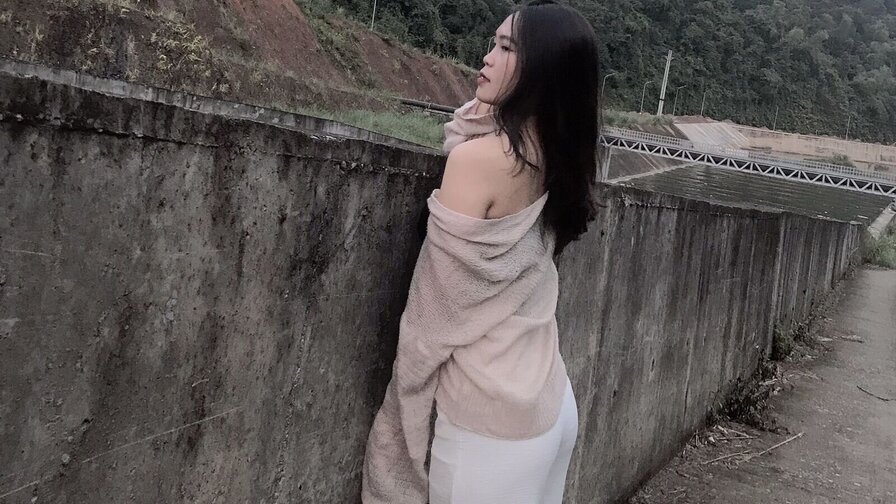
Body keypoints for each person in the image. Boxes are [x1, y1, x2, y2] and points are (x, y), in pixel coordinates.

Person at [363, 1, 602, 503]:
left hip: (489, 423)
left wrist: (397, 431)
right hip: (551, 404)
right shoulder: (555, 157)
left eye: (507, 48)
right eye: (493, 43)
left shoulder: (479, 161)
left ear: (543, 70)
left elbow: (431, 319)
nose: (487, 57)